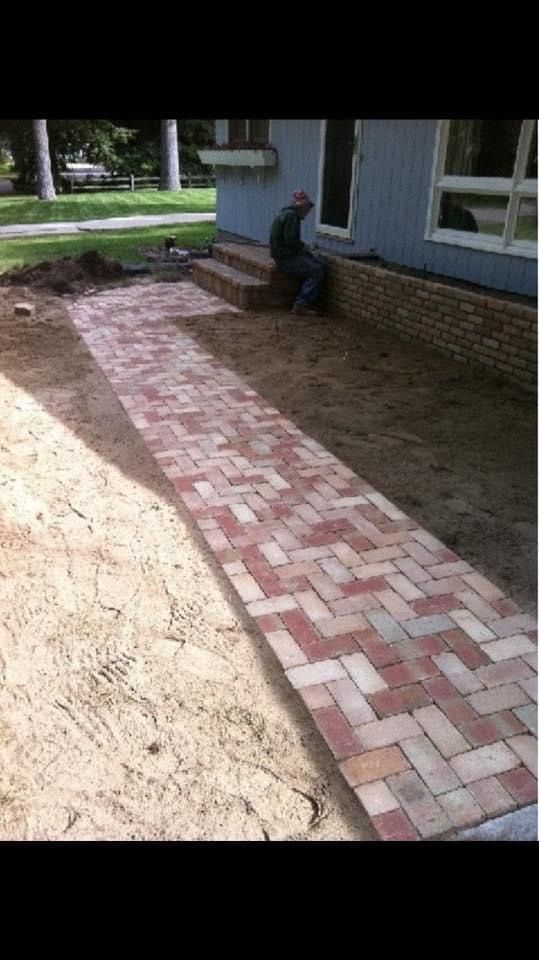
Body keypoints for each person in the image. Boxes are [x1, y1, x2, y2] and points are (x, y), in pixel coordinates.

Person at [269, 189, 327, 315]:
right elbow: (291, 242)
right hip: (285, 259)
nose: (307, 211)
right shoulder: (292, 216)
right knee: (316, 270)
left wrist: (307, 252)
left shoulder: (286, 213)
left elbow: (290, 242)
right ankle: (302, 304)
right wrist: (306, 248)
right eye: (306, 208)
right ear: (301, 207)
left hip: (283, 255)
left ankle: (313, 299)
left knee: (321, 262)